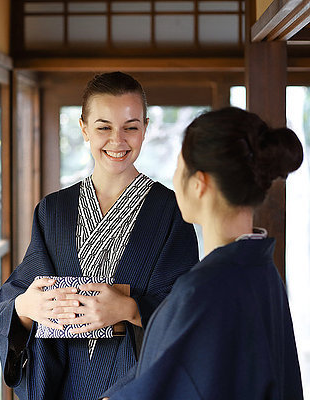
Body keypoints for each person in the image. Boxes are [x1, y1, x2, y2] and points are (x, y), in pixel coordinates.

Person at [0, 72, 199, 399]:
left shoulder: (171, 210)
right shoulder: (54, 210)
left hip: (136, 387)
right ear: (84, 128)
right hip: (64, 387)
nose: (117, 140)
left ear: (145, 128)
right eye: (103, 127)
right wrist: (25, 307)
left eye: (131, 126)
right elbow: (13, 302)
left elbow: (187, 310)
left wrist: (128, 309)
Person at [100, 107, 304, 400]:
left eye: (179, 167)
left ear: (200, 184)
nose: (174, 178)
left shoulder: (203, 290)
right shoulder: (263, 272)